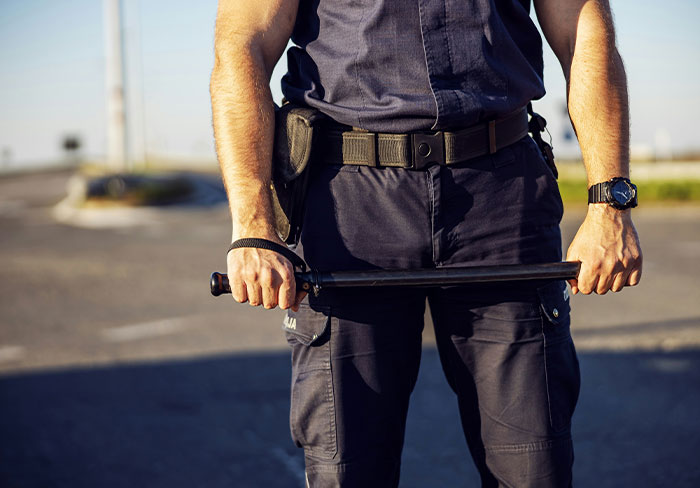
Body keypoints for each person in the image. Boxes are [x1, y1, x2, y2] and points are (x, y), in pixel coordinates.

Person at [210, 0, 642, 486]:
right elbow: (243, 44)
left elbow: (582, 29)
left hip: (501, 196)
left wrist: (610, 204)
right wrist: (252, 226)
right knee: (346, 470)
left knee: (534, 468)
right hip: (346, 204)